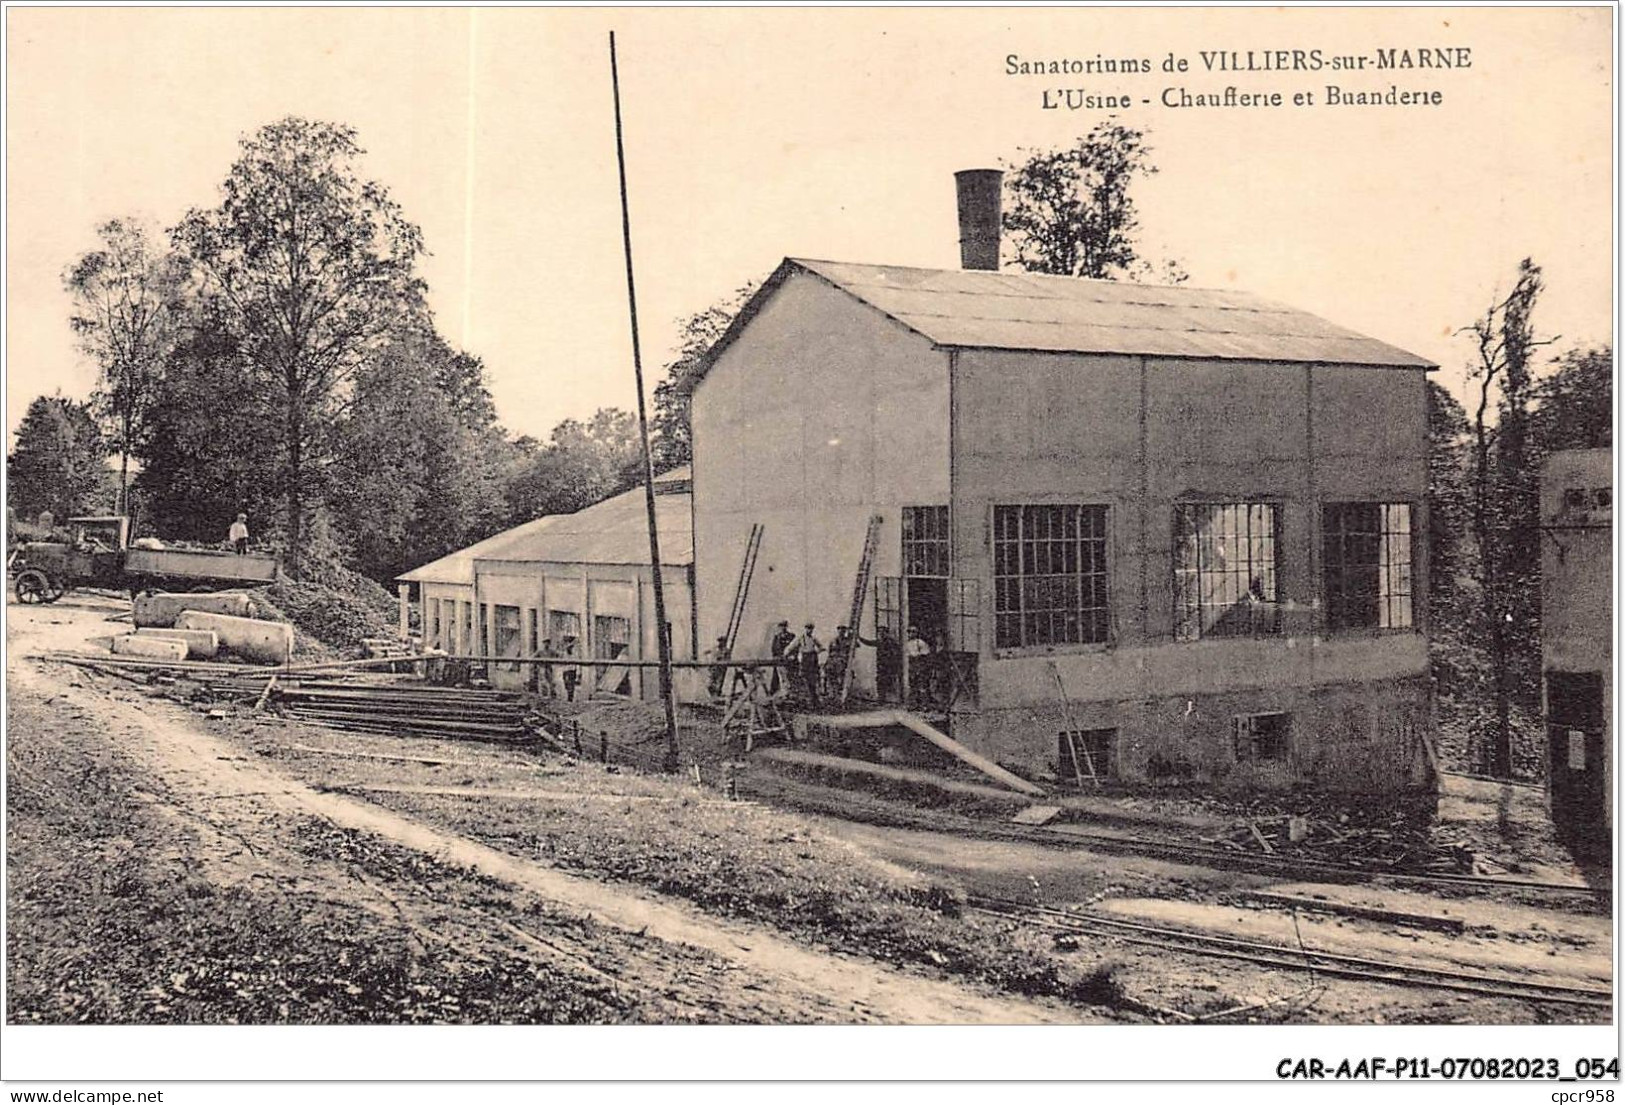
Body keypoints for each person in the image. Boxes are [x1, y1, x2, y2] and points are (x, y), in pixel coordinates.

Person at [788, 622, 823, 708]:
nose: (809, 630)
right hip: (805, 661)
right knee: (804, 680)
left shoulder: (813, 638)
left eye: (811, 629)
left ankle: (815, 701)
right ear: (805, 628)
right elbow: (790, 647)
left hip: (813, 661)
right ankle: (807, 701)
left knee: (813, 681)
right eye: (808, 628)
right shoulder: (800, 638)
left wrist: (817, 652)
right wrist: (787, 654)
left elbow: (821, 647)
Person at [824, 625, 856, 698]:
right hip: (833, 660)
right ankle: (831, 692)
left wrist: (852, 638)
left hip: (843, 661)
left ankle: (840, 692)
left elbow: (855, 646)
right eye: (839, 629)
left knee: (841, 677)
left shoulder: (847, 641)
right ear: (837, 630)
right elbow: (830, 651)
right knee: (829, 673)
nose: (841, 631)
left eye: (843, 630)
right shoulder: (833, 640)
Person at [905, 625, 933, 708]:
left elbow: (925, 655)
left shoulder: (920, 643)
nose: (911, 634)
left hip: (920, 665)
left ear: (917, 633)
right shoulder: (907, 644)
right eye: (909, 632)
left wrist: (921, 667)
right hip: (912, 666)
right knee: (913, 685)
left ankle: (924, 705)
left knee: (922, 686)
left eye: (913, 632)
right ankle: (913, 704)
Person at [768, 619, 796, 696]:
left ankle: (789, 693)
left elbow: (795, 648)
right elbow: (773, 649)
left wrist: (792, 656)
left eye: (784, 626)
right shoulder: (777, 637)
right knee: (778, 677)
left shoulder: (791, 636)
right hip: (779, 661)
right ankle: (777, 693)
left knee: (789, 677)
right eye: (781, 626)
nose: (782, 628)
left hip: (788, 661)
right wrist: (775, 657)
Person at [706, 634, 731, 699]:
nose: (720, 643)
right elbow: (709, 653)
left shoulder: (726, 651)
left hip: (720, 669)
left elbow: (728, 660)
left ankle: (716, 696)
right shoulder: (715, 649)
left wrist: (723, 662)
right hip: (713, 668)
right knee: (710, 684)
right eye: (719, 641)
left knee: (718, 684)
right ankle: (713, 697)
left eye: (722, 641)